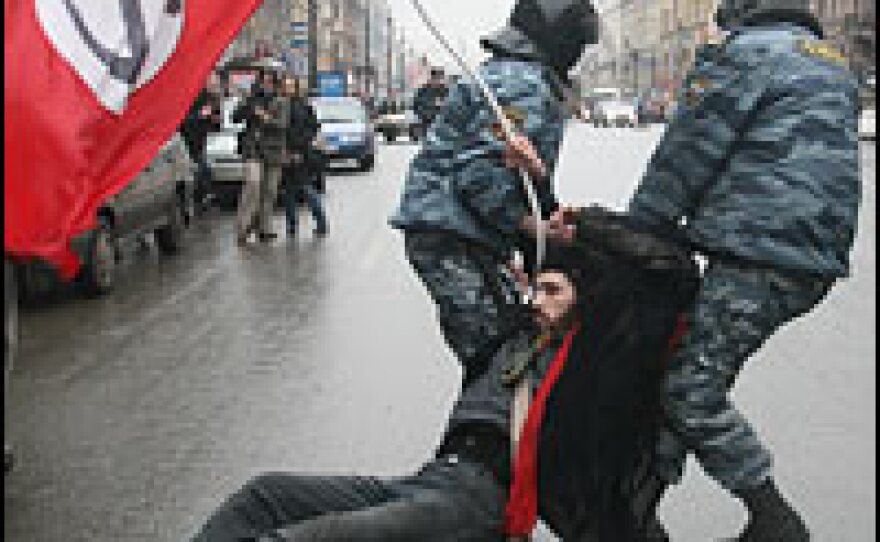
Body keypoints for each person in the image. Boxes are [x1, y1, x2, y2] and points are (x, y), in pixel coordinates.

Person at [189, 215, 698, 541]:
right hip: (430, 480)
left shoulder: (595, 354)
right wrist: (530, 183)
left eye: (552, 292)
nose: (536, 302)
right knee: (266, 496)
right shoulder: (507, 338)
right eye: (534, 289)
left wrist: (584, 225)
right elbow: (449, 232)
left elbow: (671, 273)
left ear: (587, 299)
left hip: (477, 501)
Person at [606, 1, 861, 539]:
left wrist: (632, 237)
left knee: (687, 388)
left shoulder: (742, 55)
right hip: (807, 256)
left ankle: (774, 518)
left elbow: (685, 156)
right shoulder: (831, 61)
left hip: (761, 253)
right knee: (689, 370)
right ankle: (636, 508)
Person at [390, 0, 600, 384]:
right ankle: (483, 440)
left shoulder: (508, 75)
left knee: (499, 353)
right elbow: (479, 175)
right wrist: (529, 227)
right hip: (453, 235)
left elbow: (510, 176)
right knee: (501, 360)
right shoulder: (522, 84)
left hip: (458, 232)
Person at [233, 69, 290, 245]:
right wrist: (247, 106)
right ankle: (243, 227)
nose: (266, 85)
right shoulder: (252, 99)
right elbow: (236, 117)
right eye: (263, 82)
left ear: (275, 84)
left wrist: (264, 117)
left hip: (273, 151)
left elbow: (282, 124)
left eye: (270, 82)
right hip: (253, 150)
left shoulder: (281, 101)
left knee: (270, 191)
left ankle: (265, 228)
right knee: (253, 184)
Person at [281, 78, 327, 238]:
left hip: (300, 154)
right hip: (286, 154)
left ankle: (321, 222)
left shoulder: (302, 106)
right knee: (289, 192)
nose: (288, 89)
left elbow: (311, 129)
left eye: (290, 86)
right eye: (285, 86)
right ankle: (292, 226)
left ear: (296, 88)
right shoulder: (282, 104)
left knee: (305, 188)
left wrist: (298, 150)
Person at [181, 72, 223, 215]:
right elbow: (184, 122)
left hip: (201, 143)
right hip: (187, 142)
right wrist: (201, 116)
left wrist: (215, 120)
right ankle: (195, 201)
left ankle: (200, 200)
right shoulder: (192, 96)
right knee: (198, 171)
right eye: (212, 80)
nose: (214, 83)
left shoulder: (212, 100)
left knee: (202, 171)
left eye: (215, 81)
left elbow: (215, 126)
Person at [411, 68, 448, 138]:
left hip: (442, 122)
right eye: (437, 79)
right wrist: (434, 105)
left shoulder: (445, 90)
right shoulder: (423, 91)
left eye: (441, 79)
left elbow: (451, 103)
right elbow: (416, 107)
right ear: (432, 78)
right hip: (426, 121)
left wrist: (443, 104)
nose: (439, 81)